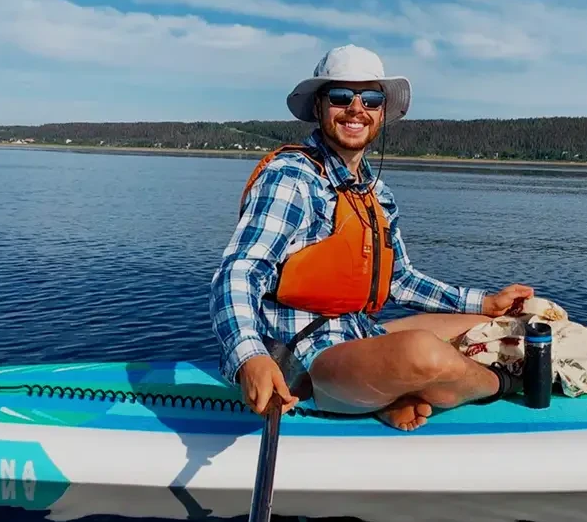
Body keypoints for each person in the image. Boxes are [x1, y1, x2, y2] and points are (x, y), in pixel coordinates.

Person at [210, 44, 534, 431]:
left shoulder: (375, 192)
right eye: (341, 96)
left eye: (372, 98)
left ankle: (388, 396)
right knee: (421, 352)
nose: (356, 108)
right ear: (319, 107)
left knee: (479, 322)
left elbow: (399, 279)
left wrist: (485, 301)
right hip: (305, 360)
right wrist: (249, 356)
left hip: (357, 334)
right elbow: (241, 270)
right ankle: (504, 383)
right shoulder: (292, 177)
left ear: (381, 112)